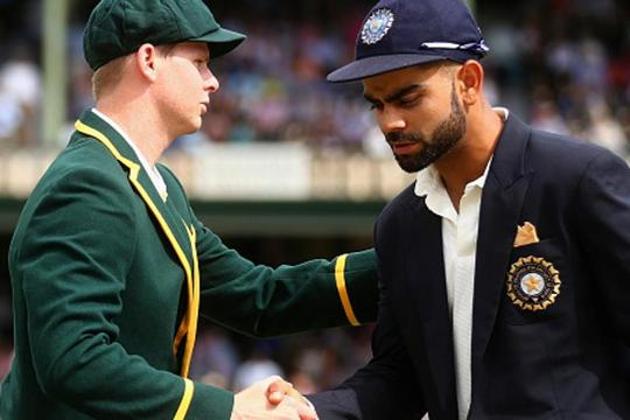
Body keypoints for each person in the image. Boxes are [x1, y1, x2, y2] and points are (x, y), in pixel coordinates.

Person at [0, 0, 380, 419]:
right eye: (199, 62)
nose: (213, 81)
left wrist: (406, 264)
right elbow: (75, 360)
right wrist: (228, 409)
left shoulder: (151, 183)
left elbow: (259, 297)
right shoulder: (87, 184)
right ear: (148, 60)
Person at [309, 0, 630, 418]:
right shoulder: (400, 225)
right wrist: (307, 412)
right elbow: (399, 378)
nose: (390, 122)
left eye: (408, 98)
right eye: (378, 104)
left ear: (469, 82)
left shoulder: (576, 178)